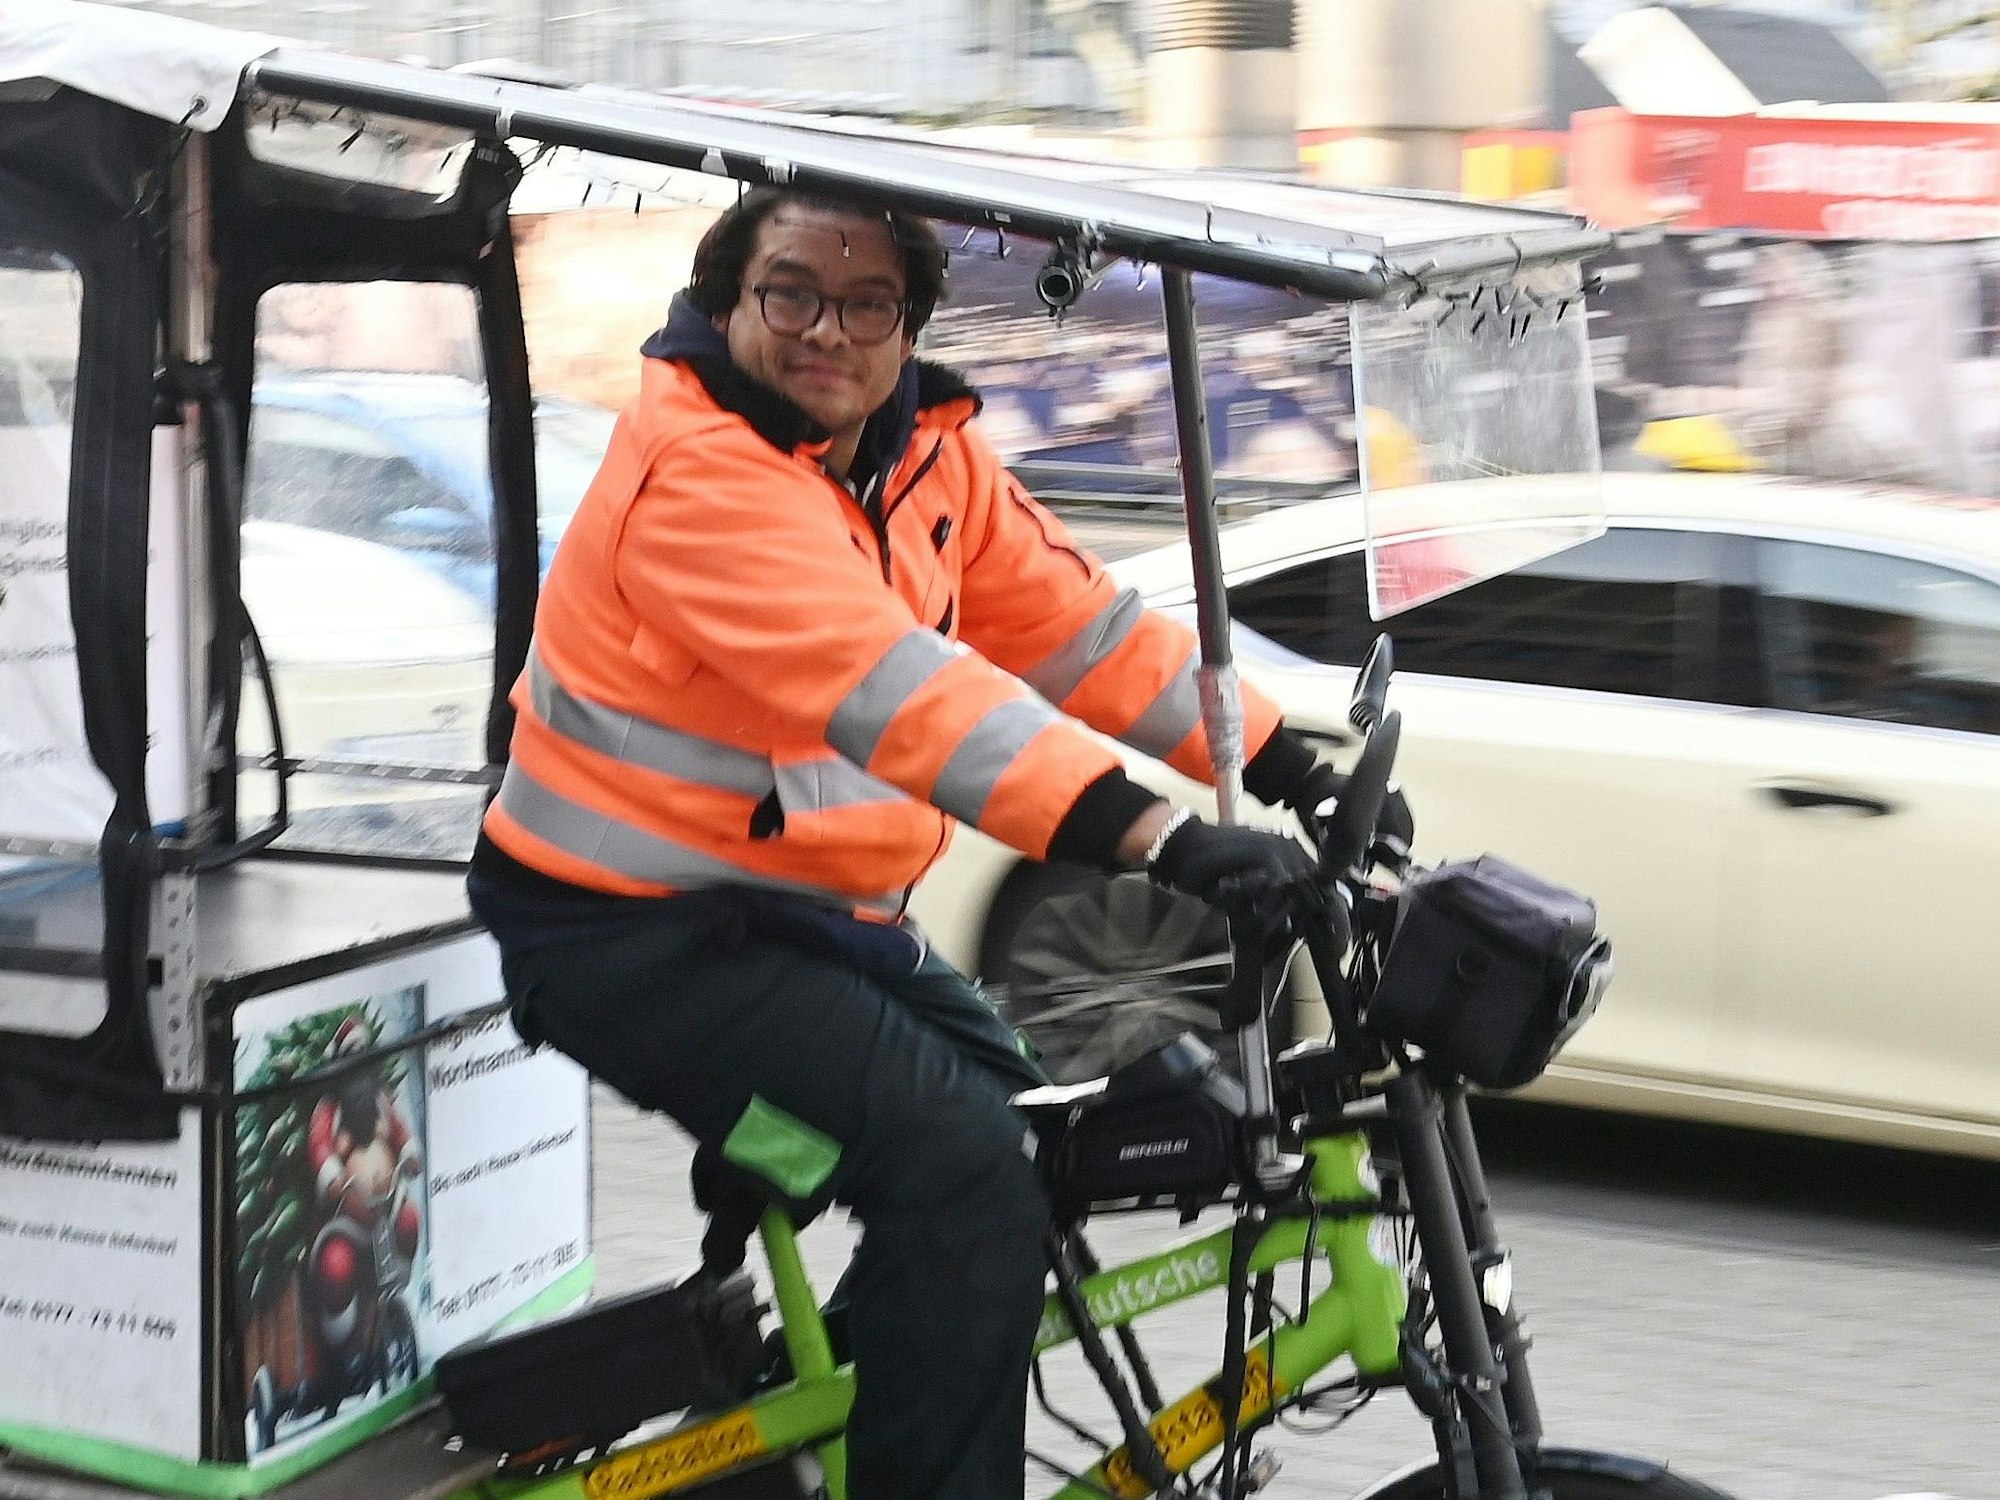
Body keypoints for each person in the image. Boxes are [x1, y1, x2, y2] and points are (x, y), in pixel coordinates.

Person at [467, 188, 1343, 1500]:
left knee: (1036, 1144)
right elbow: (910, 696)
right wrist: (1160, 840)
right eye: (789, 294)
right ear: (724, 307)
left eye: (867, 302)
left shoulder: (917, 455)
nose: (828, 330)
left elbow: (1083, 632)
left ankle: (836, 1442)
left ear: (908, 325)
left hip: (809, 923)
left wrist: (1287, 767)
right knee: (965, 1174)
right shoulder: (698, 472)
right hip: (624, 940)